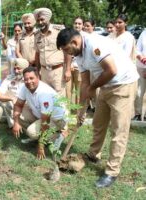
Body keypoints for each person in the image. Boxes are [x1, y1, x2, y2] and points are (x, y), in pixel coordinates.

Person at [57, 28, 139, 188]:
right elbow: (85, 83)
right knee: (98, 123)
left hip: (123, 84)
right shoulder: (78, 54)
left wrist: (93, 87)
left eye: (67, 49)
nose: (68, 54)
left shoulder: (95, 44)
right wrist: (81, 110)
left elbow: (111, 70)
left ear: (74, 42)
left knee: (118, 130)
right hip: (105, 85)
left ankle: (112, 171)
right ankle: (93, 154)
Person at [12, 67, 68, 159]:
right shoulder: (25, 87)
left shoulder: (44, 93)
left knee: (31, 132)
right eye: (26, 79)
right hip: (41, 115)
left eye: (31, 78)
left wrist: (40, 147)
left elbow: (45, 122)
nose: (29, 81)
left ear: (38, 77)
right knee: (17, 115)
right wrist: (16, 123)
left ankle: (59, 134)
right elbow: (18, 105)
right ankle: (41, 136)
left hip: (57, 119)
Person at [33, 7, 70, 96]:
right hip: (44, 71)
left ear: (48, 19)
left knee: (59, 99)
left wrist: (68, 70)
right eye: (38, 20)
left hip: (58, 71)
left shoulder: (59, 31)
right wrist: (37, 71)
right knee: (46, 96)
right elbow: (37, 54)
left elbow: (67, 51)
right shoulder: (37, 35)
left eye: (42, 19)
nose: (40, 22)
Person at [0, 58, 29, 128]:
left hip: (26, 105)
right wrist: (11, 98)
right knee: (4, 102)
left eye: (19, 69)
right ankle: (13, 125)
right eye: (14, 68)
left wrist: (19, 101)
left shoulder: (29, 80)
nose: (16, 71)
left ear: (25, 69)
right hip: (12, 103)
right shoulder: (9, 78)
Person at [65, 17, 85, 104]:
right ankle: (67, 112)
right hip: (69, 68)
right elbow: (67, 52)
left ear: (83, 25)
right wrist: (68, 68)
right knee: (67, 90)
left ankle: (78, 113)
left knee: (79, 91)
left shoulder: (85, 37)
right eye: (75, 23)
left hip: (80, 68)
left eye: (79, 23)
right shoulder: (69, 36)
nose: (77, 25)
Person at [133, 29, 146, 121]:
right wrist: (143, 61)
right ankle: (137, 114)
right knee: (139, 92)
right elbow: (137, 50)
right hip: (141, 66)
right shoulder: (144, 33)